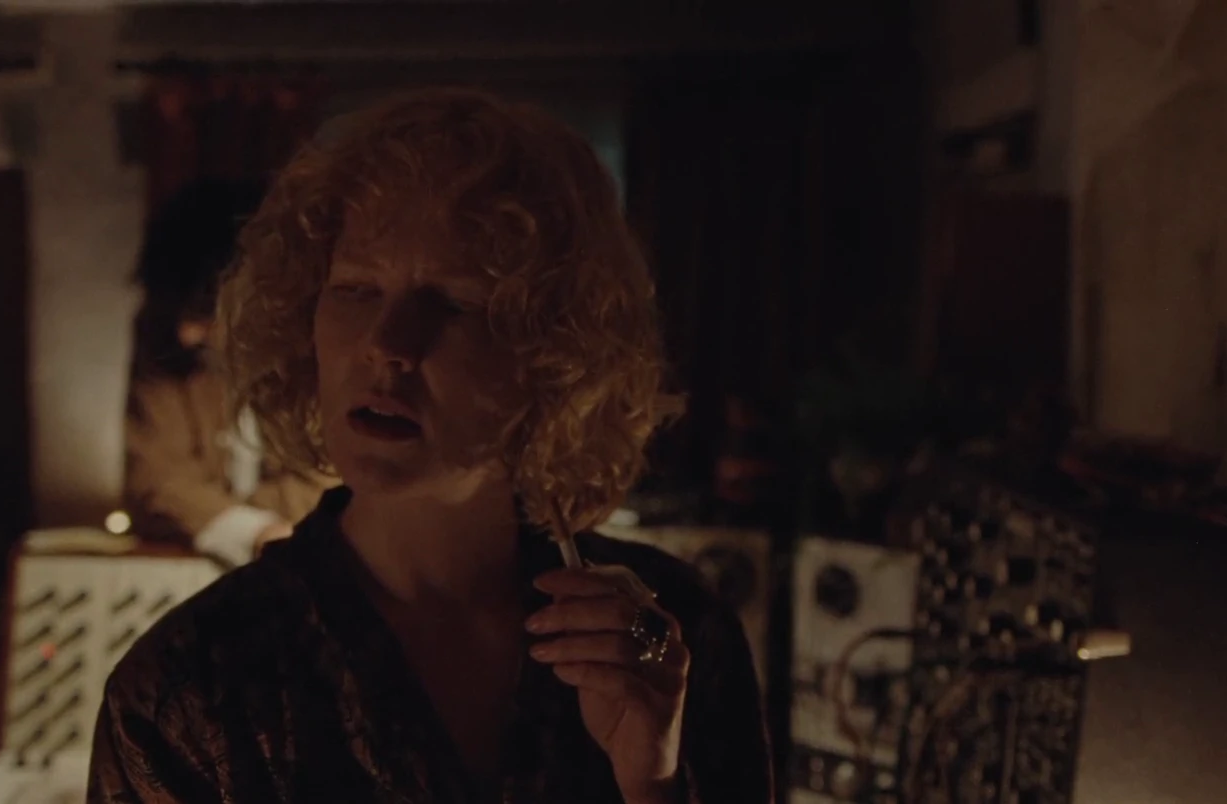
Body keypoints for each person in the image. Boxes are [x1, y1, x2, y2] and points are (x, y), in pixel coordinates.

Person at [89, 88, 773, 803]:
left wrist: (653, 783)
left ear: (555, 352)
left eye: (454, 302)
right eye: (356, 289)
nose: (387, 344)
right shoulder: (187, 691)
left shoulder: (670, 638)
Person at [123, 178, 334, 565]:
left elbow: (332, 488)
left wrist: (211, 512)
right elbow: (152, 479)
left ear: (265, 298)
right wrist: (253, 530)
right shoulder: (161, 334)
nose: (185, 335)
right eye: (178, 311)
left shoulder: (322, 344)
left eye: (205, 311)